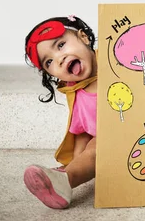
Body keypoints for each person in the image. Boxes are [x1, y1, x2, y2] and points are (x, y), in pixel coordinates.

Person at [23, 15, 98, 208]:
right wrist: (76, 161)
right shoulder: (78, 95)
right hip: (112, 143)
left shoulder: (115, 62)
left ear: (84, 38)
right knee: (95, 148)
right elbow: (81, 132)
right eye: (48, 62)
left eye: (61, 45)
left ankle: (62, 178)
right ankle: (65, 179)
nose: (59, 58)